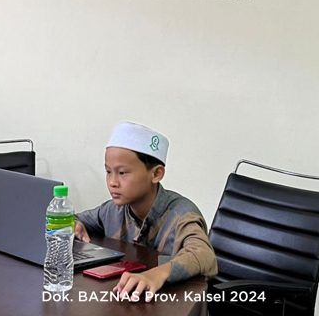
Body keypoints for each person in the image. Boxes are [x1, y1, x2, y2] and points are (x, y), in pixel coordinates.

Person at [74, 121, 217, 300]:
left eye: (122, 173)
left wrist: (156, 274)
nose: (112, 182)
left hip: (172, 303)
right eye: (108, 171)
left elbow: (204, 255)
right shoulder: (112, 210)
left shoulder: (182, 214)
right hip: (125, 298)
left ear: (156, 174)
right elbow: (75, 218)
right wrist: (74, 223)